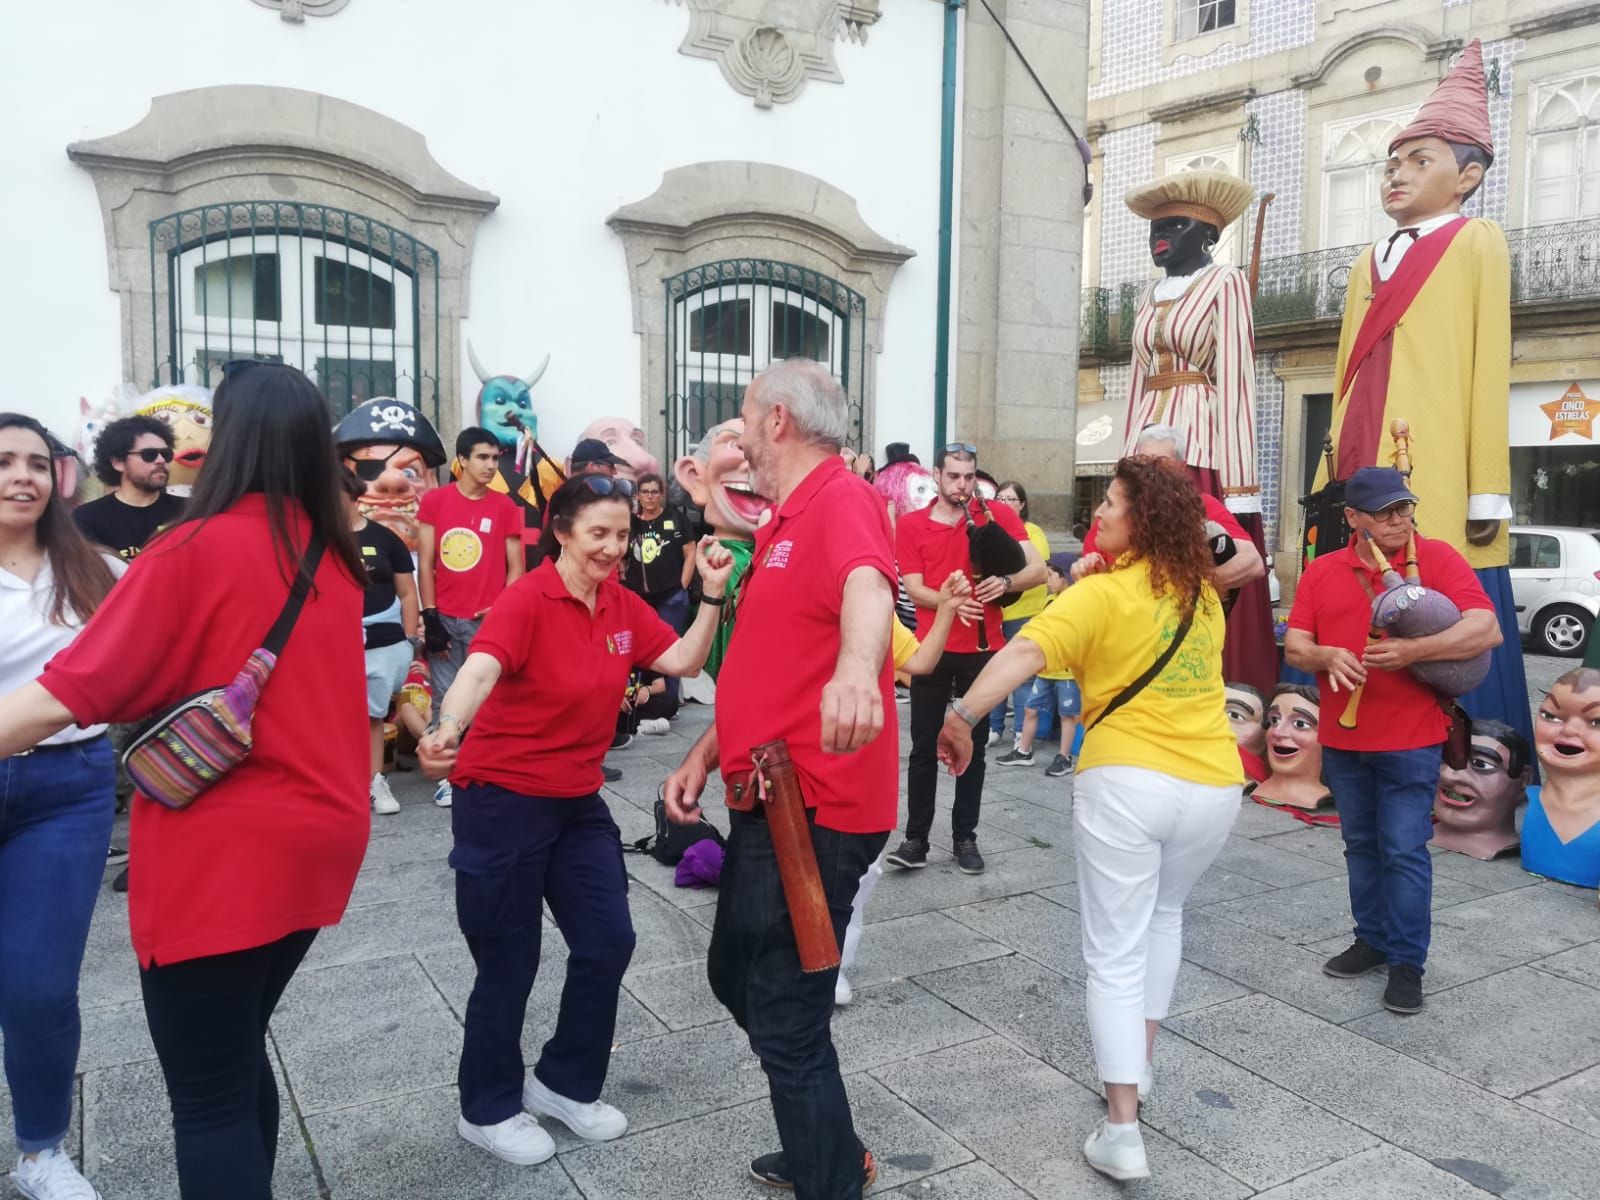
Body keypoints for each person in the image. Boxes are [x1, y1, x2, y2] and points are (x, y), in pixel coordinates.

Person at [0, 364, 371, 1200]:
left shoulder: (190, 549)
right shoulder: (332, 554)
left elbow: (72, 692)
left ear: (228, 438)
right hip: (324, 834)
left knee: (206, 1097)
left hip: (222, 851)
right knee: (236, 1053)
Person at [934, 455, 1243, 1184]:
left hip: (1129, 782)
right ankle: (1139, 1066)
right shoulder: (1201, 596)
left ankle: (1122, 1128)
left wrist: (961, 715)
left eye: (1109, 503)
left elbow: (1025, 649)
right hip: (1214, 786)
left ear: (1144, 519)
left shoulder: (1102, 594)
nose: (1096, 515)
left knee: (1113, 953)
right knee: (1163, 920)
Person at [416, 473, 733, 1167]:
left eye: (621, 535)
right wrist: (447, 727)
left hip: (575, 801)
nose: (613, 548)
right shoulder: (527, 599)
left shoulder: (619, 603)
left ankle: (562, 1082)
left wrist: (711, 593)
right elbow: (480, 669)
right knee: (509, 959)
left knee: (607, 939)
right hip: (500, 799)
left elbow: (682, 659)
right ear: (561, 531)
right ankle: (488, 1106)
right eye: (599, 533)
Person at [663, 358, 897, 1198]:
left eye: (741, 421)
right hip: (764, 797)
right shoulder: (784, 519)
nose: (737, 439)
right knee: (740, 977)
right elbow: (769, 664)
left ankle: (829, 1171)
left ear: (777, 423)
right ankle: (826, 1143)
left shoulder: (843, 498)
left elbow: (870, 586)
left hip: (817, 811)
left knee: (787, 1013)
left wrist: (858, 671)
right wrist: (700, 754)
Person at [1308, 40, 1528, 750]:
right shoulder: (1366, 259)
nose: (1397, 175)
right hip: (1362, 449)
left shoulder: (1478, 242)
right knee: (1354, 588)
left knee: (1437, 584)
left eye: (1419, 161)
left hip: (1430, 454)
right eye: (1392, 164)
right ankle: (1356, 732)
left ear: (1467, 176)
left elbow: (1487, 364)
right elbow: (1344, 367)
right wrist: (1329, 464)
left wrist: (1487, 484)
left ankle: (1468, 747)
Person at [1286, 466, 1501, 1016]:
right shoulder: (1324, 569)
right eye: (1385, 512)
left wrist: (1412, 653)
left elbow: (1486, 629)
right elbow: (1296, 647)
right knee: (1360, 845)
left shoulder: (1440, 559)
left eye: (1405, 508)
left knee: (1403, 849)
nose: (1400, 519)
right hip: (1344, 734)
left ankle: (1407, 963)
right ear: (1353, 519)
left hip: (1411, 736)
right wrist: (1325, 656)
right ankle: (1373, 940)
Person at [0, 413, 121, 1200]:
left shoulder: (96, 568)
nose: (22, 477)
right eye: (4, 461)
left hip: (67, 787)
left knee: (39, 986)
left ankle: (41, 1149)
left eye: (38, 463)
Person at [1119, 168, 1277, 695]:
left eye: (1177, 224)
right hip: (1147, 436)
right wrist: (1125, 462)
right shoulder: (1148, 292)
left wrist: (1239, 486)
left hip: (1201, 438)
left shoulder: (1225, 281)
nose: (1159, 235)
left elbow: (1236, 380)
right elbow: (1138, 380)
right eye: (1156, 226)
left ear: (1209, 233)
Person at [887, 443, 1045, 875]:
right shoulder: (914, 524)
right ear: (936, 476)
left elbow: (1037, 569)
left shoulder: (994, 515)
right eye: (953, 476)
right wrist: (951, 602)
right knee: (922, 746)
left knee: (973, 748)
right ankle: (916, 838)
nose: (961, 485)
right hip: (931, 651)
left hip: (983, 649)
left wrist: (1006, 581)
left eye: (968, 476)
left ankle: (964, 838)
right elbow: (913, 586)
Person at [837, 569, 973, 1007]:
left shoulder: (876, 606)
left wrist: (948, 610)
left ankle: (836, 963)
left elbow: (918, 663)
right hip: (800, 751)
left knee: (860, 868)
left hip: (861, 759)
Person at [418, 427, 525, 808]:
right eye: (483, 457)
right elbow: (427, 562)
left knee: (489, 697)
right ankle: (447, 775)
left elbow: (517, 568)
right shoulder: (435, 502)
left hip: (488, 621)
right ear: (462, 460)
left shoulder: (504, 507)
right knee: (445, 699)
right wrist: (429, 616)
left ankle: (484, 770)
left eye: (495, 458)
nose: (491, 465)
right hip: (445, 616)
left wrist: (503, 607)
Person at [340, 467, 420, 815]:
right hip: (335, 645)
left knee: (373, 715)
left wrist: (408, 639)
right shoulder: (315, 540)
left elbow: (407, 592)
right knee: (337, 717)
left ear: (352, 494)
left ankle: (375, 782)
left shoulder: (386, 539)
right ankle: (342, 785)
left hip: (384, 644)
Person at [996, 555, 1081, 778]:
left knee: (1067, 715)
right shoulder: (1050, 600)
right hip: (1046, 670)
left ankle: (1065, 758)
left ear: (1065, 578)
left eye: (1051, 575)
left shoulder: (1072, 602)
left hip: (1066, 673)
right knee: (1031, 708)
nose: (1047, 580)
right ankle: (1024, 750)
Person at [988, 481, 1051, 749]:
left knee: (1022, 676)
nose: (1004, 504)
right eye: (999, 499)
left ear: (1022, 504)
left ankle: (1020, 733)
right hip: (995, 613)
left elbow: (1033, 567)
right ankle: (993, 727)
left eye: (1010, 499)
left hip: (1024, 613)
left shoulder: (1032, 533)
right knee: (993, 671)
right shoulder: (989, 528)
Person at [625, 472, 694, 632]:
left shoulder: (677, 519)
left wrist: (682, 586)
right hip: (639, 598)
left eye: (654, 492)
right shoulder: (631, 523)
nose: (650, 496)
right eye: (645, 492)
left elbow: (690, 552)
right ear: (638, 495)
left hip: (671, 596)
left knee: (671, 645)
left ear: (661, 495)